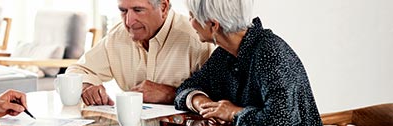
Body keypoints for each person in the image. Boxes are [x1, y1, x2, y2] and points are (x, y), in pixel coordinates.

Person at [173, 0, 322, 125]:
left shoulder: (270, 52)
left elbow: (282, 121)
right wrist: (202, 103)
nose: (189, 22)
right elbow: (186, 88)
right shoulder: (224, 55)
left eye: (192, 16)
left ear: (213, 25)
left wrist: (233, 113)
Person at [65, 0, 215, 106]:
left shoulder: (196, 39)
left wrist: (170, 94)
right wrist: (86, 86)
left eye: (138, 10)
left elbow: (220, 96)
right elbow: (77, 70)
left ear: (163, 7)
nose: (129, 21)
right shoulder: (118, 35)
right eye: (123, 11)